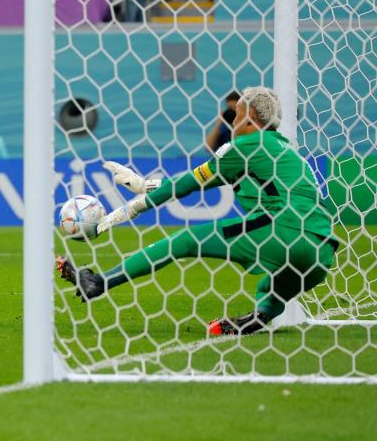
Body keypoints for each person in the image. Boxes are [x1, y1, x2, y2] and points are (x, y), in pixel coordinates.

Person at [56, 87, 338, 336]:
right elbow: (203, 177)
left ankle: (98, 282)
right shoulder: (286, 150)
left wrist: (135, 206)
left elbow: (191, 183)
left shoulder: (247, 144)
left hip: (283, 230)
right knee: (271, 287)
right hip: (322, 251)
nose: (234, 121)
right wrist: (144, 186)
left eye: (237, 115)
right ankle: (260, 316)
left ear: (251, 115)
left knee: (185, 241)